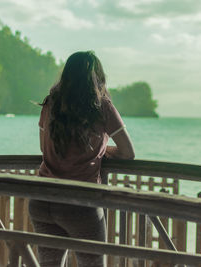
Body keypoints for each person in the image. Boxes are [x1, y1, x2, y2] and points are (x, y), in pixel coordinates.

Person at [28, 51, 135, 267]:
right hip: (80, 204)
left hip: (42, 199)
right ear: (98, 77)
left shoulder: (51, 104)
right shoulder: (102, 106)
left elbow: (43, 146)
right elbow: (127, 153)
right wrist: (102, 151)